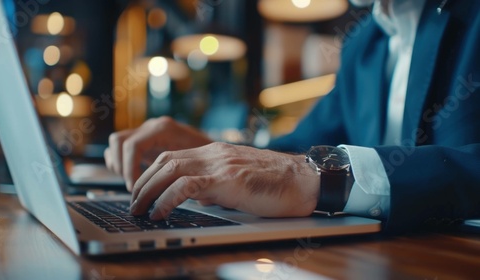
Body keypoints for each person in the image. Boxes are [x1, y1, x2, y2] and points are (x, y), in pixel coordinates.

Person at [104, 0, 480, 232]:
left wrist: (325, 179)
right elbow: (298, 149)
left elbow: (305, 170)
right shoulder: (364, 43)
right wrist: (207, 151)